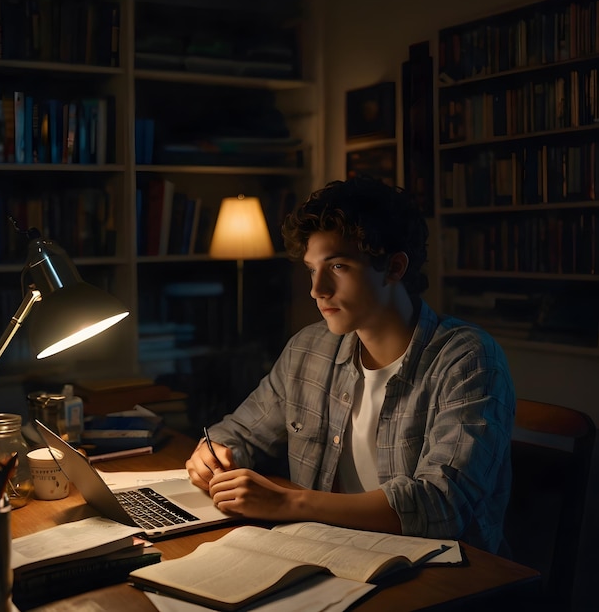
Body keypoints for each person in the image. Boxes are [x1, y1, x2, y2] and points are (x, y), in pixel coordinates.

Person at [186, 176, 515, 554]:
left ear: (394, 268)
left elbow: (440, 504)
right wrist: (214, 456)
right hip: (331, 553)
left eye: (338, 266)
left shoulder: (469, 359)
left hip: (446, 578)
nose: (317, 289)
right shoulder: (309, 348)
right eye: (311, 269)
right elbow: (238, 432)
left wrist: (287, 503)